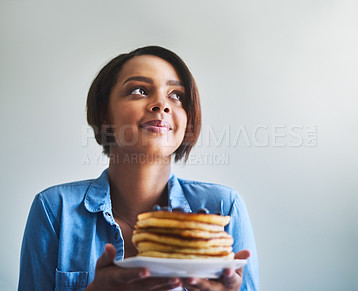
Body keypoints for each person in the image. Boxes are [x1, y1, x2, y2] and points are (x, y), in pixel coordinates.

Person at [18, 46, 259, 291]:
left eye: (176, 95)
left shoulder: (223, 208)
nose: (162, 104)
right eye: (139, 90)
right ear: (105, 115)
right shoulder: (54, 209)